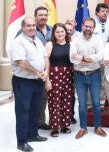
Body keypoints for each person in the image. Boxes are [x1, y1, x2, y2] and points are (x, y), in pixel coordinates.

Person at [9, 17, 49, 152]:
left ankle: (32, 134)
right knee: (23, 112)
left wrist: (46, 72)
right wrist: (38, 72)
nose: (32, 28)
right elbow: (22, 62)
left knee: (35, 110)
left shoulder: (36, 40)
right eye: (28, 26)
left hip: (38, 81)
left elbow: (45, 57)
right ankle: (22, 142)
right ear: (22, 28)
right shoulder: (18, 42)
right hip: (23, 82)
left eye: (33, 25)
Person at [69, 18, 106, 139]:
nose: (88, 29)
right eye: (86, 26)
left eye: (90, 27)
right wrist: (89, 59)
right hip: (79, 75)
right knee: (82, 103)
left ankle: (98, 126)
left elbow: (100, 57)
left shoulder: (98, 40)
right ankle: (83, 127)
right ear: (82, 25)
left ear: (94, 28)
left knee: (96, 102)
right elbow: (72, 59)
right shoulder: (75, 40)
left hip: (94, 74)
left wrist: (82, 58)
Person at [45, 23, 74, 138]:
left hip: (68, 75)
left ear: (66, 33)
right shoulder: (49, 44)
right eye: (57, 32)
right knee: (54, 101)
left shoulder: (71, 44)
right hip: (54, 75)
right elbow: (45, 62)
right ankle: (55, 127)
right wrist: (47, 79)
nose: (60, 34)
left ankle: (65, 125)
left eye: (62, 31)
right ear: (54, 34)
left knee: (67, 100)